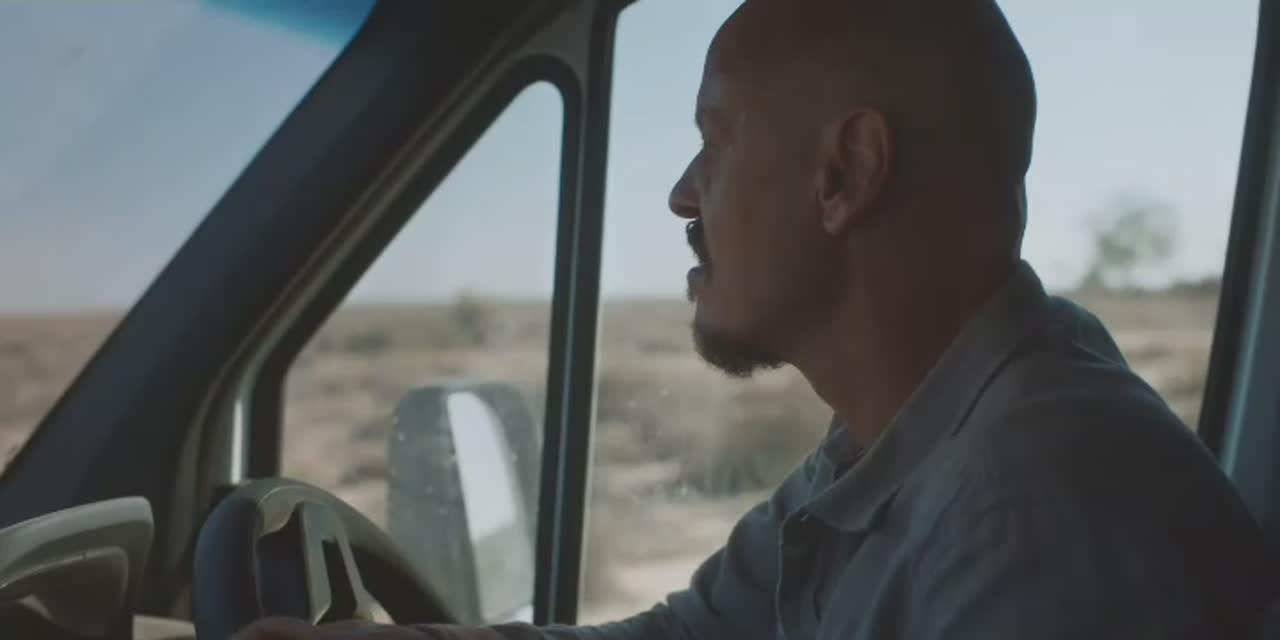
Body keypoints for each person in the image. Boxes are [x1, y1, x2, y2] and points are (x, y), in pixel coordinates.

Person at [235, 0, 1273, 638]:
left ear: (844, 173)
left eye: (715, 139)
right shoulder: (904, 436)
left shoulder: (1033, 514)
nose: (683, 195)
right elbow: (694, 637)